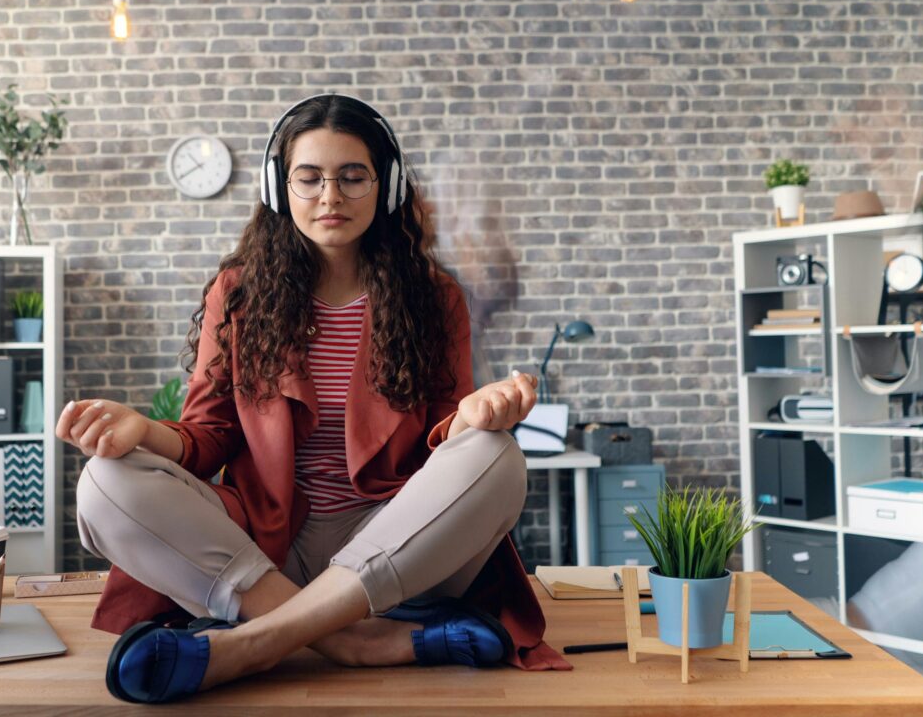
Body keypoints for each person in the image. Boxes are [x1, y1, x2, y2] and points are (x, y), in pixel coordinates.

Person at [58, 94, 569, 704]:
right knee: (104, 483)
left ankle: (254, 643)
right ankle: (357, 641)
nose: (331, 196)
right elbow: (208, 437)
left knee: (496, 455)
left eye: (353, 177)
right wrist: (141, 431)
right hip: (263, 552)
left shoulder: (435, 298)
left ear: (388, 186)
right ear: (282, 189)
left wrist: (476, 416)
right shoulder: (239, 292)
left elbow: (444, 441)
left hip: (394, 543)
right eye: (310, 178)